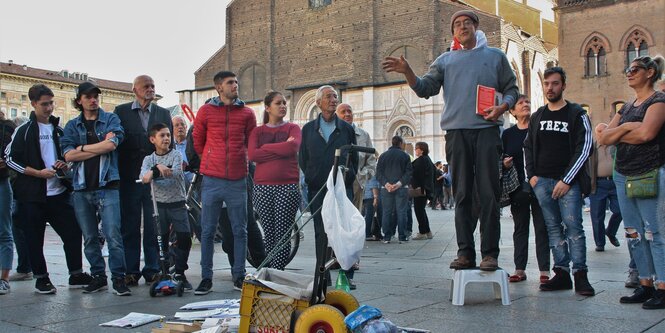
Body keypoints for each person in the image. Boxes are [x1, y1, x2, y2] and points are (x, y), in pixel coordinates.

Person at [382, 10, 518, 271]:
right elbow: (425, 89)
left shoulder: (496, 57)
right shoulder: (445, 60)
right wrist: (408, 71)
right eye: (457, 24)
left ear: (477, 27)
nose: (463, 26)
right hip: (456, 133)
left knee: (489, 193)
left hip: (488, 131)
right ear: (453, 32)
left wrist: (503, 108)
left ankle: (490, 254)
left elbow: (512, 88)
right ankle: (465, 252)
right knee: (463, 193)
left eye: (468, 22)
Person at [5, 84, 91, 294]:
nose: (49, 108)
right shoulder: (23, 131)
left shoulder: (59, 130)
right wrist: (37, 173)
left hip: (59, 193)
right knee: (34, 238)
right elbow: (10, 158)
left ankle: (76, 273)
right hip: (32, 195)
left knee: (72, 232)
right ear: (33, 104)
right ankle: (41, 278)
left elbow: (69, 155)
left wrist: (65, 164)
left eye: (51, 103)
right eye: (44, 104)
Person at [596, 55, 665, 309]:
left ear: (650, 72)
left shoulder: (658, 101)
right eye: (628, 68)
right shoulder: (626, 107)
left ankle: (662, 286)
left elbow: (647, 133)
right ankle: (645, 284)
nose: (629, 72)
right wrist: (628, 128)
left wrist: (620, 132)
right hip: (623, 173)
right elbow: (603, 138)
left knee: (654, 232)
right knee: (633, 232)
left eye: (634, 69)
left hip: (649, 172)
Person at [523, 67, 595, 296]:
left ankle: (580, 275)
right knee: (553, 228)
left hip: (568, 182)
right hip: (542, 181)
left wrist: (567, 179)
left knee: (574, 228)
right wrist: (532, 176)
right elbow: (528, 147)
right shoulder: (538, 116)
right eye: (546, 84)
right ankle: (562, 273)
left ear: (563, 85)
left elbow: (585, 148)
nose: (550, 88)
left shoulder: (576, 114)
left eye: (555, 83)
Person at [61, 82, 131, 296]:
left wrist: (81, 149)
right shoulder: (72, 126)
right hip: (82, 187)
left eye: (95, 96)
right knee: (90, 237)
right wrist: (95, 148)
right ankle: (98, 276)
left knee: (113, 234)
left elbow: (112, 145)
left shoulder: (110, 119)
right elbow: (68, 155)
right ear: (79, 100)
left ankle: (119, 278)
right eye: (88, 96)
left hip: (107, 184)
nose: (93, 100)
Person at [193, 71, 256, 294]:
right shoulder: (206, 111)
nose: (235, 85)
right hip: (211, 179)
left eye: (237, 82)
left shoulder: (247, 113)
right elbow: (197, 140)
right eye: (230, 82)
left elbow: (251, 142)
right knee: (208, 231)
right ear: (219, 87)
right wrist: (211, 160)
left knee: (241, 229)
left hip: (238, 180)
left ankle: (239, 275)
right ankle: (206, 277)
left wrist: (243, 161)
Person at [114, 75, 173, 286]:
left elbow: (169, 145)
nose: (150, 89)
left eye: (153, 86)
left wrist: (160, 168)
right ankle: (131, 270)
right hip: (129, 177)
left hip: (153, 179)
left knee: (153, 224)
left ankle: (152, 269)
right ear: (135, 90)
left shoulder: (163, 113)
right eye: (146, 86)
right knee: (129, 224)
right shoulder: (121, 112)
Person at [299, 85, 358, 287]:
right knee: (320, 232)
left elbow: (354, 159)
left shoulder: (347, 129)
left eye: (335, 96)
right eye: (328, 97)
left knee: (344, 230)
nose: (333, 99)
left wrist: (346, 181)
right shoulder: (307, 130)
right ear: (318, 103)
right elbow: (302, 159)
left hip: (341, 189)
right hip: (318, 189)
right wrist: (312, 177)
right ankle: (322, 274)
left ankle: (346, 273)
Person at [248, 91, 301, 270]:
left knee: (283, 233)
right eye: (278, 103)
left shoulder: (293, 128)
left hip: (287, 186)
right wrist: (282, 147)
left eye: (284, 103)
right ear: (267, 107)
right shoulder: (258, 131)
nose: (283, 106)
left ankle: (278, 271)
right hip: (262, 187)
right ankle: (270, 271)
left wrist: (267, 148)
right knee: (269, 233)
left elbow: (293, 147)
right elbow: (253, 154)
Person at [501, 94, 550, 283]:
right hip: (518, 187)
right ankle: (519, 269)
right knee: (520, 228)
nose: (525, 105)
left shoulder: (539, 129)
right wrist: (504, 164)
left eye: (527, 102)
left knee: (542, 228)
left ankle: (545, 271)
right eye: (520, 103)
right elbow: (502, 157)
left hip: (539, 185)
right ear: (512, 111)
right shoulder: (508, 134)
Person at [140, 123, 193, 291]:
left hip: (177, 203)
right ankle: (164, 271)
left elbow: (175, 172)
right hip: (159, 205)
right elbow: (144, 177)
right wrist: (157, 168)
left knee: (184, 237)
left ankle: (180, 272)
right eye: (162, 135)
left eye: (168, 135)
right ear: (152, 139)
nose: (166, 138)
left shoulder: (176, 155)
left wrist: (156, 171)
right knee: (160, 240)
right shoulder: (149, 159)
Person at [335, 103, 377, 210]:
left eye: (349, 111)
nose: (347, 114)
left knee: (355, 219)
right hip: (337, 182)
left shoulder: (364, 135)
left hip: (357, 183)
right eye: (343, 112)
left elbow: (371, 160)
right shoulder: (333, 134)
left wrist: (363, 175)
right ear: (336, 115)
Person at [375, 135, 412, 244]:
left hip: (385, 189)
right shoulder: (405, 156)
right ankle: (402, 236)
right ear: (400, 143)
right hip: (401, 188)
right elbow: (409, 173)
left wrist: (386, 184)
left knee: (386, 212)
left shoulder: (382, 156)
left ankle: (387, 236)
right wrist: (399, 184)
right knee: (401, 212)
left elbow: (378, 173)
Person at [8, 116, 32, 282]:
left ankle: (25, 268)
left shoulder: (20, 140)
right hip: (21, 189)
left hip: (19, 190)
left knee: (19, 228)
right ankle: (26, 267)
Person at [589, 142, 622, 252]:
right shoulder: (592, 148)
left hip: (615, 182)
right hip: (598, 184)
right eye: (599, 132)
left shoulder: (615, 146)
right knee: (597, 216)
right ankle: (600, 243)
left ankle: (611, 232)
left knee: (620, 210)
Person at [0, 111, 16, 294]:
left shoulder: (7, 127)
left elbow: (16, 153)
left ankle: (4, 278)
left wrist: (6, 161)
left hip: (2, 181)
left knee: (4, 230)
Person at [411, 142, 435, 240]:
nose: (415, 150)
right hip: (426, 189)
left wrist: (414, 185)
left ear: (421, 149)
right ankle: (428, 231)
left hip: (420, 189)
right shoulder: (427, 159)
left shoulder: (421, 160)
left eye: (416, 148)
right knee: (422, 210)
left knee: (419, 210)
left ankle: (423, 232)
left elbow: (418, 175)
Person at [172, 115, 193, 185]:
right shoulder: (169, 147)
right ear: (171, 129)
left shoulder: (193, 144)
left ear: (186, 127)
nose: (180, 127)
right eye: (176, 125)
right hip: (176, 185)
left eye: (182, 124)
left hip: (193, 183)